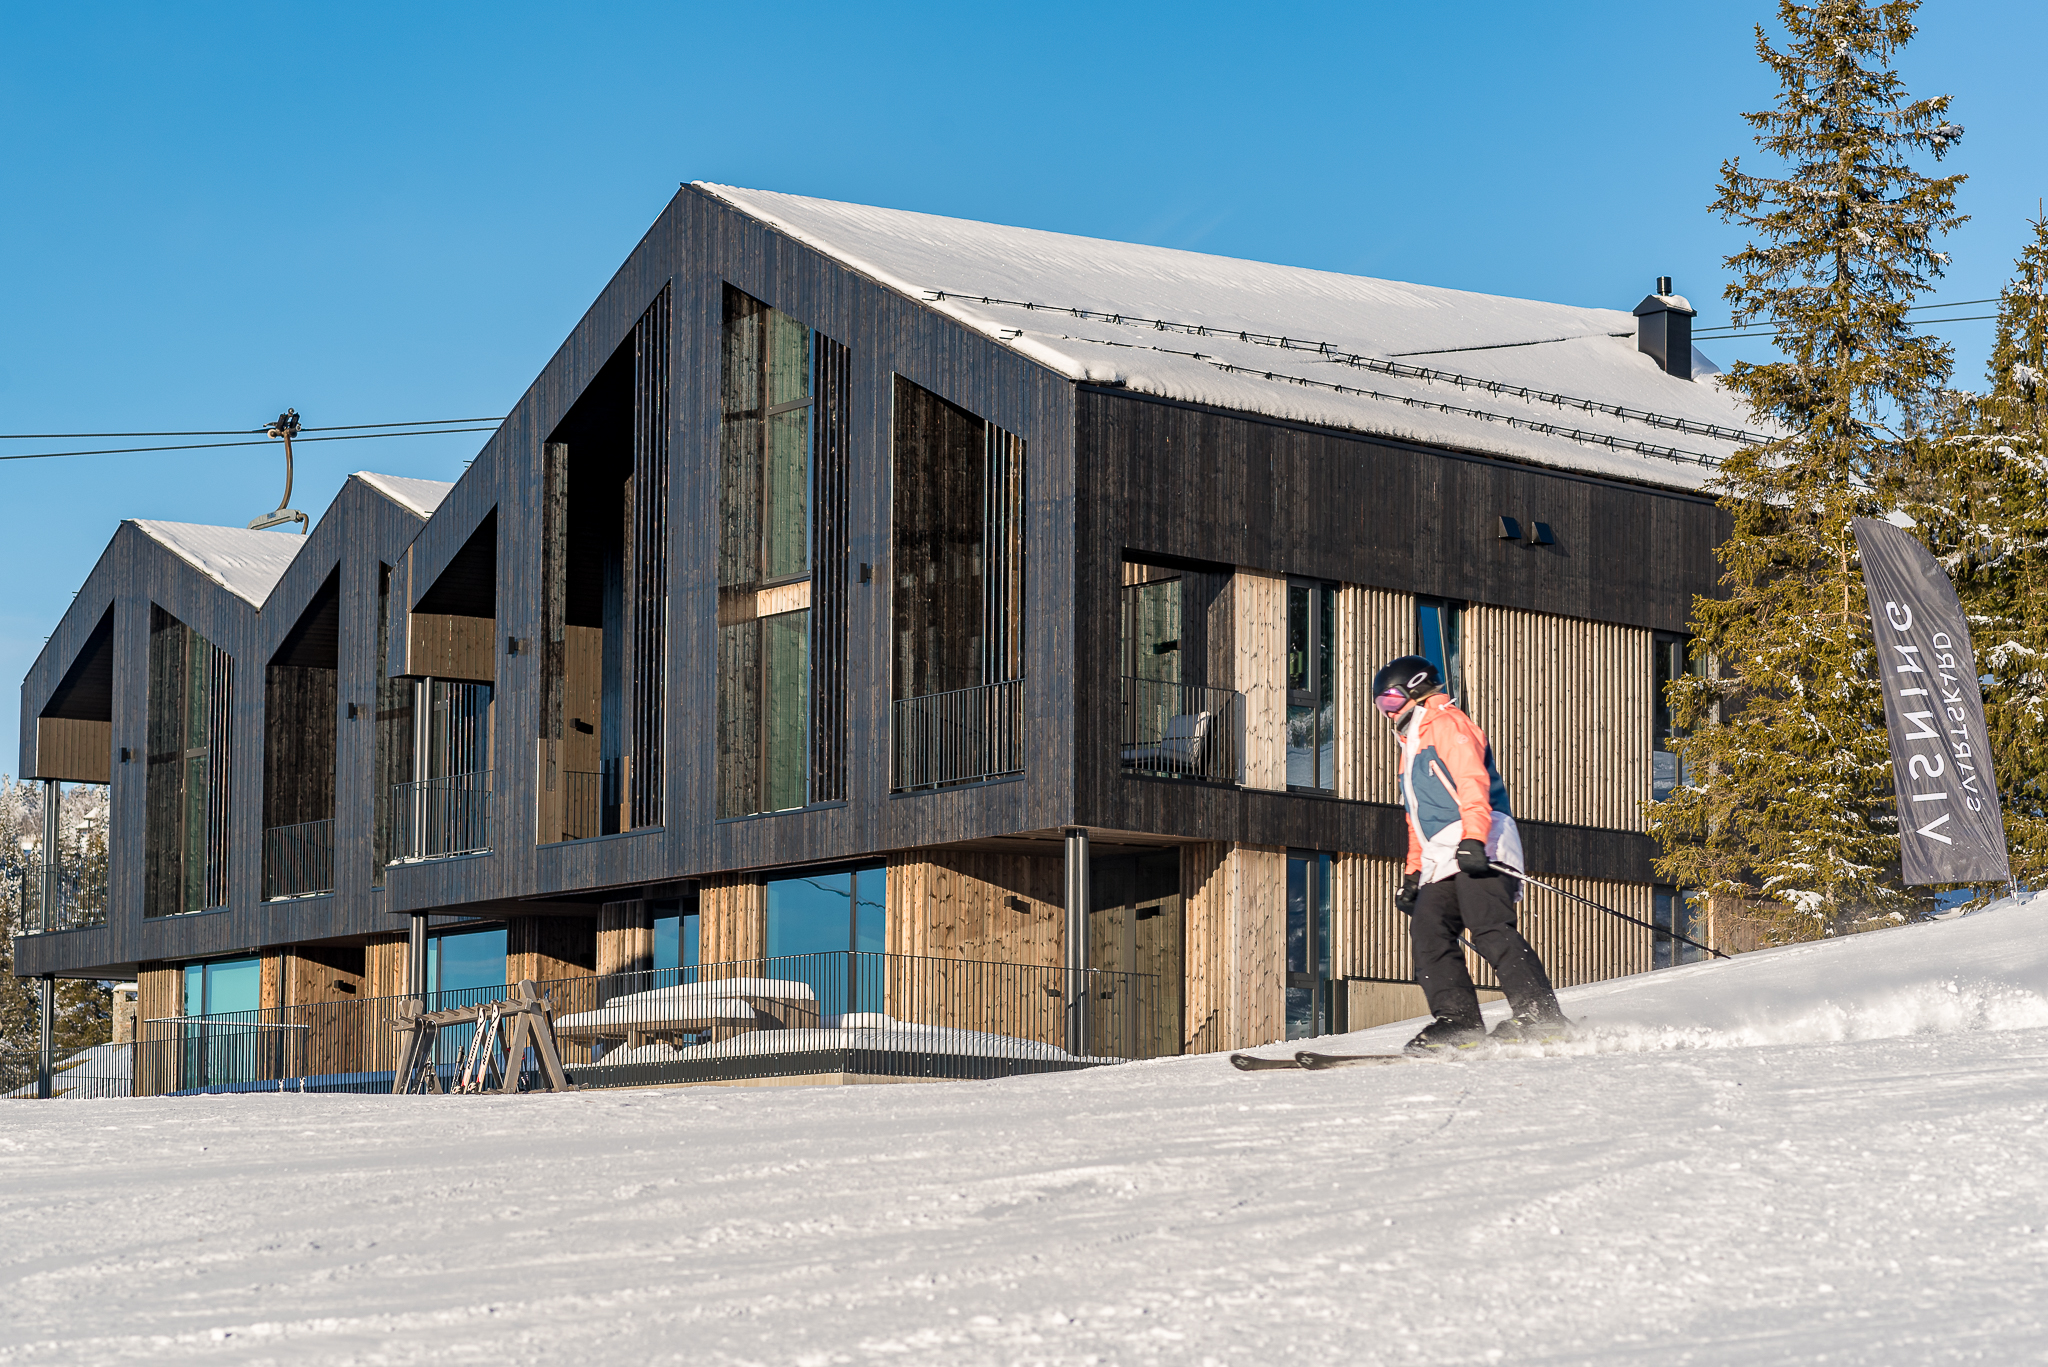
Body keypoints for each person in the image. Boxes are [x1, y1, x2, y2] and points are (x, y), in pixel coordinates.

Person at [1371, 654, 1568, 1054]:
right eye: (1380, 705)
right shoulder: (1410, 746)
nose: (1387, 712)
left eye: (1390, 700)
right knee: (1428, 928)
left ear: (1416, 689)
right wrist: (1413, 874)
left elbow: (1472, 782)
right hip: (1442, 853)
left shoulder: (1449, 724)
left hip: (1482, 838)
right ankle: (1459, 1022)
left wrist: (1475, 839)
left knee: (1487, 923)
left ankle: (1540, 1015)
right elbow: (1415, 818)